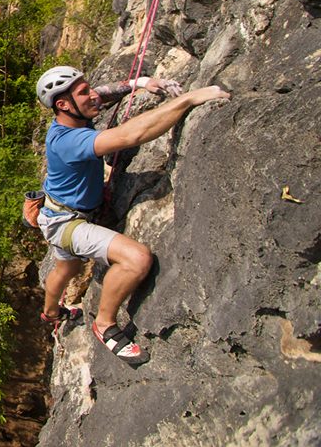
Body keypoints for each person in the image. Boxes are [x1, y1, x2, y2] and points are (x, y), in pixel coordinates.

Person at [35, 66, 230, 364]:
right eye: (84, 92)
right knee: (137, 259)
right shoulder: (66, 142)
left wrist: (141, 83)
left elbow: (106, 94)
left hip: (56, 213)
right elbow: (132, 134)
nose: (93, 95)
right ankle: (104, 324)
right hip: (67, 224)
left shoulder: (74, 112)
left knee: (67, 270)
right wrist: (187, 100)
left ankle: (49, 313)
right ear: (63, 105)